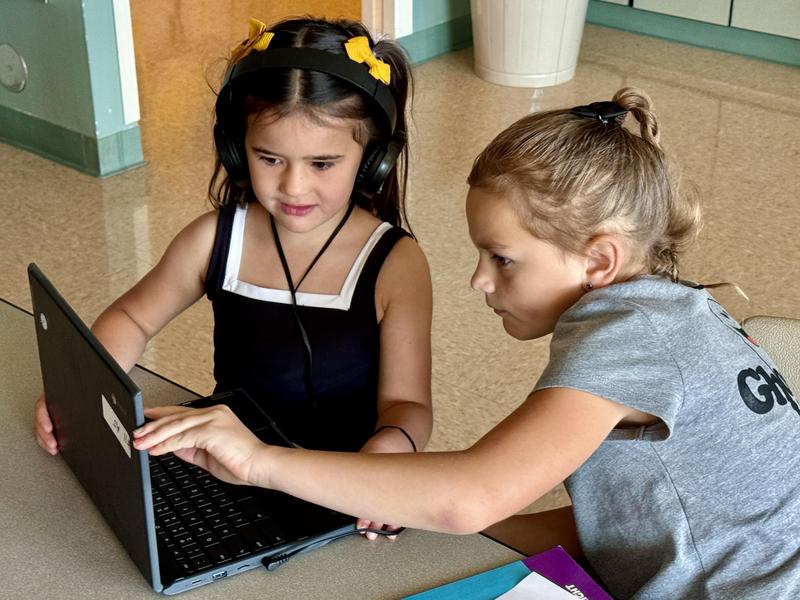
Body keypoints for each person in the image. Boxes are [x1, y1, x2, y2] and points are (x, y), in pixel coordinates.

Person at [133, 87, 799, 598]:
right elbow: (629, 520)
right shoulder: (675, 312)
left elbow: (472, 496)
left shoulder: (629, 340)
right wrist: (395, 499)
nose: (479, 280)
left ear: (598, 261)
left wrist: (258, 462)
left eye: (502, 259)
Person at [35, 16, 433, 532]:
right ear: (235, 147)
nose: (292, 186)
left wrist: (386, 458)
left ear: (373, 158)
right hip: (223, 458)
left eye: (322, 163)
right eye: (270, 158)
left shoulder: (396, 264)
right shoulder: (214, 238)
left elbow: (409, 405)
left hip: (340, 480)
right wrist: (79, 391)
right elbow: (133, 319)